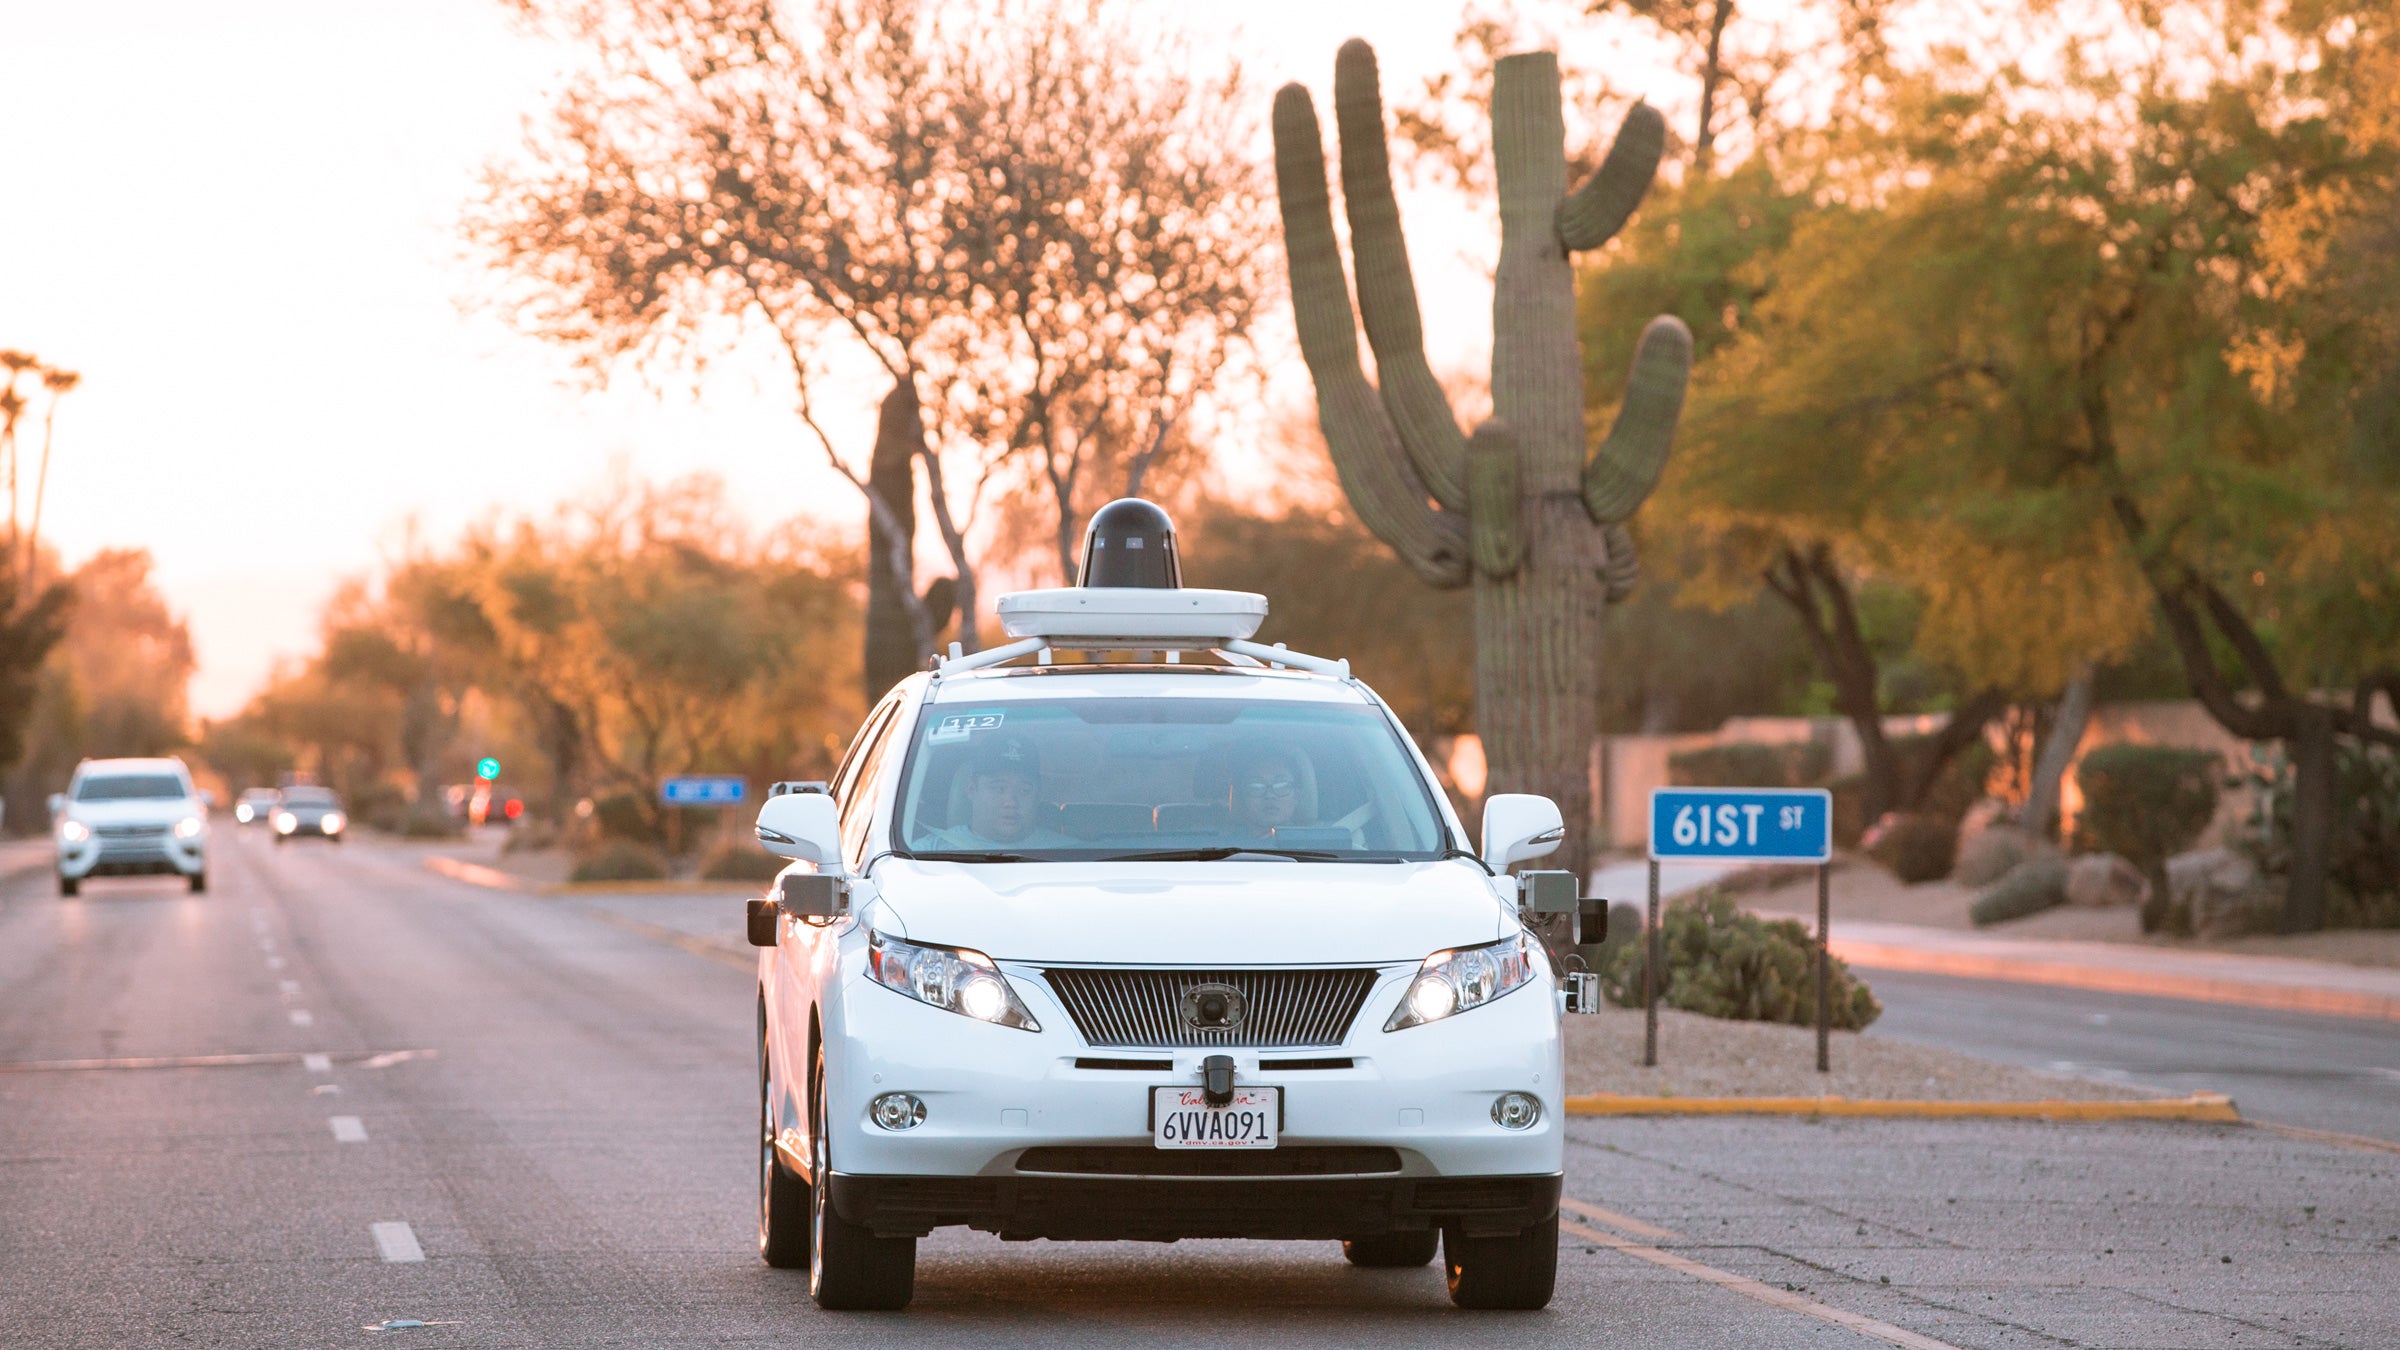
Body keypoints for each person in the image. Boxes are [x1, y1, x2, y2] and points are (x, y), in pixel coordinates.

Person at [929, 734, 1067, 851]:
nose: (1011, 802)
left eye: (1023, 790)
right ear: (972, 790)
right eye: (998, 788)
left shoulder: (1070, 854)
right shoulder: (928, 853)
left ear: (1038, 795)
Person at [1230, 749, 1305, 836]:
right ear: (1241, 798)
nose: (1270, 795)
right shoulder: (1224, 843)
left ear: (1297, 796)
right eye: (1257, 787)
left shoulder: (1312, 842)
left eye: (1281, 785)